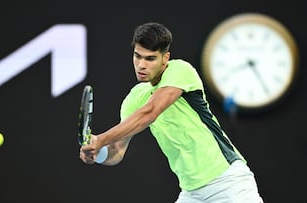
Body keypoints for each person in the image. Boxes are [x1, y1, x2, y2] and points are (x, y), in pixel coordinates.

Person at [79, 22, 264, 203]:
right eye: (137, 56)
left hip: (229, 182)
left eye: (150, 58)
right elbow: (116, 151)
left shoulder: (180, 70)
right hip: (192, 193)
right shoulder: (134, 98)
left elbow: (150, 112)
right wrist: (98, 153)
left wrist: (101, 139)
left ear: (165, 58)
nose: (141, 65)